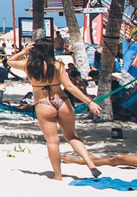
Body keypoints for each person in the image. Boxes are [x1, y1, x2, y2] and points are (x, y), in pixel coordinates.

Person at [10, 38, 104, 181]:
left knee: (53, 141)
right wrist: (89, 102)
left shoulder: (28, 66)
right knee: (72, 136)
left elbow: (10, 61)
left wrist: (24, 51)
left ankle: (58, 175)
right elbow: (70, 87)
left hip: (43, 103)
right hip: (62, 101)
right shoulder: (57, 65)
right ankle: (90, 164)